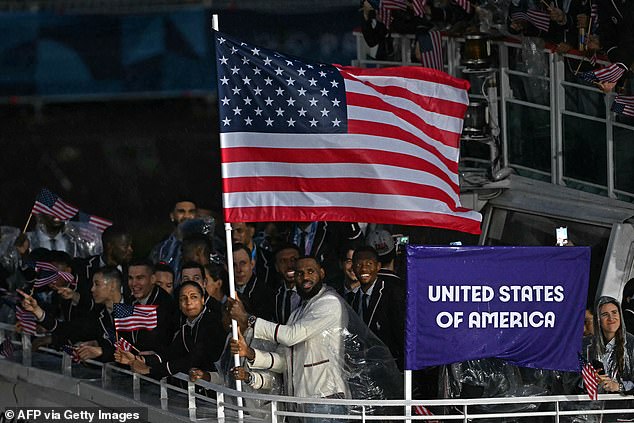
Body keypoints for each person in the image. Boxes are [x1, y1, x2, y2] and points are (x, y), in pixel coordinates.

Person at [228, 255, 349, 420]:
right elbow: (284, 362)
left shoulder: (329, 303)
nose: (305, 277)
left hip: (326, 399)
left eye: (310, 271)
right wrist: (249, 353)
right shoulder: (297, 314)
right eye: (299, 273)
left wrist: (248, 319)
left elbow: (292, 336)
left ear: (321, 273)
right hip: (299, 402)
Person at [114, 281, 225, 379]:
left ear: (203, 300)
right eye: (183, 298)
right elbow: (170, 353)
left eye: (193, 297)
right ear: (179, 305)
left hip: (221, 383)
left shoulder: (211, 322)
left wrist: (150, 370)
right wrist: (140, 359)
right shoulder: (186, 327)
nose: (188, 302)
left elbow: (193, 359)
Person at [19, 266, 123, 362]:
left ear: (112, 285)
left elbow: (134, 350)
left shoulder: (134, 312)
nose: (92, 289)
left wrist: (101, 350)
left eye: (97, 284)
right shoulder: (99, 316)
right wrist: (36, 310)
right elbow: (64, 329)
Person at [351, 245, 405, 370]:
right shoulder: (353, 297)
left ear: (378, 266)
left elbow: (402, 334)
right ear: (353, 268)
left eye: (369, 264)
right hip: (365, 368)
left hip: (391, 366)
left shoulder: (392, 293)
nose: (364, 269)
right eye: (359, 265)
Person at [123, 258, 178, 353]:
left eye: (140, 278)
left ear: (152, 279)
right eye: (131, 278)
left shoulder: (167, 305)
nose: (134, 284)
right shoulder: (130, 301)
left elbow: (164, 345)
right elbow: (121, 337)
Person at [583, 296, 634, 394]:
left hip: (624, 407)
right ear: (598, 319)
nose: (611, 318)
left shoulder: (631, 345)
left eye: (614, 312)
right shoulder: (586, 346)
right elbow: (570, 381)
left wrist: (618, 386)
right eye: (605, 314)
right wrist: (588, 380)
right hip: (593, 407)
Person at [232, 243, 275, 321]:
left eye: (243, 263)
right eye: (234, 265)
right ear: (227, 267)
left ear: (252, 264)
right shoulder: (225, 289)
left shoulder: (265, 294)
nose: (239, 270)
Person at [271, 243, 301, 324]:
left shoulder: (312, 291)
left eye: (293, 260)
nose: (289, 265)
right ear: (277, 267)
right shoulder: (273, 295)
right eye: (283, 261)